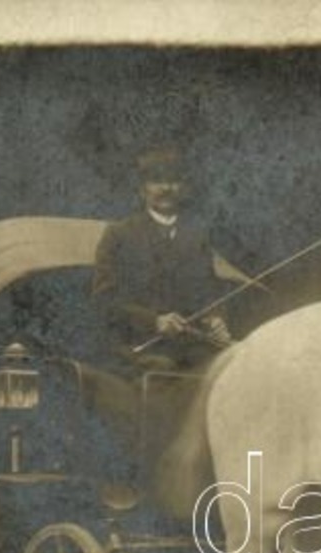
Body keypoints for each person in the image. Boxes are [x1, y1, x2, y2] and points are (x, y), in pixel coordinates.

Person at [81, 147, 238, 488]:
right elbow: (105, 300)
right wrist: (154, 321)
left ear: (183, 188)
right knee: (164, 376)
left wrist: (215, 320)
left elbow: (209, 292)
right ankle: (159, 483)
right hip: (135, 346)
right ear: (142, 190)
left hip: (190, 345)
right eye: (157, 181)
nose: (166, 188)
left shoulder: (197, 237)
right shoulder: (119, 235)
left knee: (233, 370)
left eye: (173, 181)